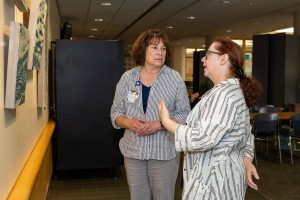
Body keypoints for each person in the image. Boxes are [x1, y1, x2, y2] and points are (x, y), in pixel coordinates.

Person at [158, 38, 261, 199]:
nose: (203, 59)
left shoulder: (224, 95)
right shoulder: (233, 91)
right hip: (225, 178)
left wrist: (167, 122)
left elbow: (203, 138)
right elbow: (246, 134)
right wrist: (247, 160)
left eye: (208, 55)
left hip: (214, 182)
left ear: (223, 58)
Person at [110, 29, 190, 200]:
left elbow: (185, 114)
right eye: (154, 48)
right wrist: (128, 122)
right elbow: (115, 112)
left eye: (163, 48)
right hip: (133, 151)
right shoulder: (128, 78)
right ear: (143, 50)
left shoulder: (174, 79)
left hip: (163, 152)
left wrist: (159, 124)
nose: (160, 53)